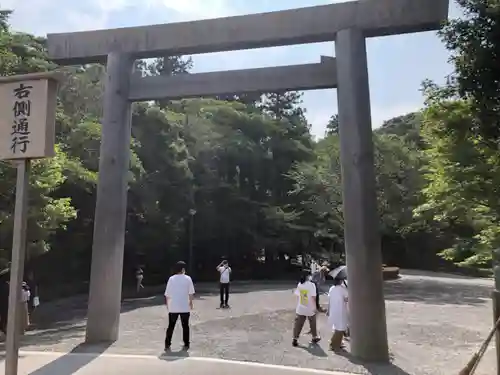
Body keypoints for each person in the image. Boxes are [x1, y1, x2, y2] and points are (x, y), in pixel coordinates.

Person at [164, 261, 195, 351]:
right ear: (183, 269)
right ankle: (186, 343)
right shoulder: (188, 278)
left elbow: (167, 294)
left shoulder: (171, 279)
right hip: (184, 306)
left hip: (173, 306)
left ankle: (167, 343)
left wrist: (167, 304)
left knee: (171, 326)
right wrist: (191, 302)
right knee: (185, 326)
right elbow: (191, 293)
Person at [292, 270, 321, 347]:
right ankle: (314, 337)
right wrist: (315, 307)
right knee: (313, 322)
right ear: (308, 276)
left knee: (298, 324)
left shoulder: (300, 284)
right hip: (310, 307)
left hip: (301, 307)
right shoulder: (312, 285)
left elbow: (298, 295)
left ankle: (295, 339)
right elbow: (313, 297)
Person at [326, 276, 349, 352]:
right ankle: (333, 344)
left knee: (337, 327)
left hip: (333, 310)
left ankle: (338, 343)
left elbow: (329, 300)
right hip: (341, 311)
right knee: (340, 328)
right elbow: (347, 298)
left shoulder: (332, 288)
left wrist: (328, 310)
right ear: (341, 280)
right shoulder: (342, 289)